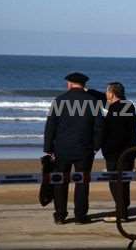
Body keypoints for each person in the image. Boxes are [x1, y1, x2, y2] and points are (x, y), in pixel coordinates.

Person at [44, 72, 103, 225]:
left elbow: (51, 126)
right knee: (82, 183)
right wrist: (96, 147)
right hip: (84, 149)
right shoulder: (93, 101)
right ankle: (80, 216)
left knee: (60, 182)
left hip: (62, 148)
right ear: (84, 85)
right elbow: (99, 127)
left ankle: (60, 215)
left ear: (70, 84)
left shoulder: (60, 100)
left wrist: (48, 147)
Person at [87, 82, 136, 222]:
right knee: (123, 182)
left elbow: (114, 132)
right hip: (128, 151)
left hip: (117, 153)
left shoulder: (117, 109)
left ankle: (121, 214)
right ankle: (122, 211)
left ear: (112, 93)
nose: (106, 94)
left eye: (107, 92)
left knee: (116, 182)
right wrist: (87, 90)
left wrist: (102, 147)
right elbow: (103, 98)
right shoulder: (126, 105)